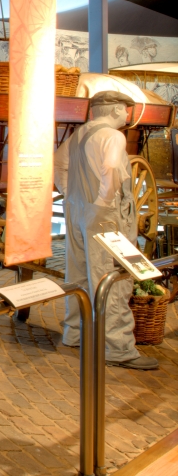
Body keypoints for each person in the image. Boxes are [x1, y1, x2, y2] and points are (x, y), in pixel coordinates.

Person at [53, 90, 159, 370]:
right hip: (104, 217)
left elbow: (58, 163)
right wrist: (103, 200)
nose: (127, 114)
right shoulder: (113, 136)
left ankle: (74, 333)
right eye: (126, 109)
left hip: (77, 210)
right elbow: (111, 166)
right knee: (113, 277)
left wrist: (69, 192)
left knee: (78, 272)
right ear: (114, 110)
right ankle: (117, 348)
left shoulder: (78, 135)